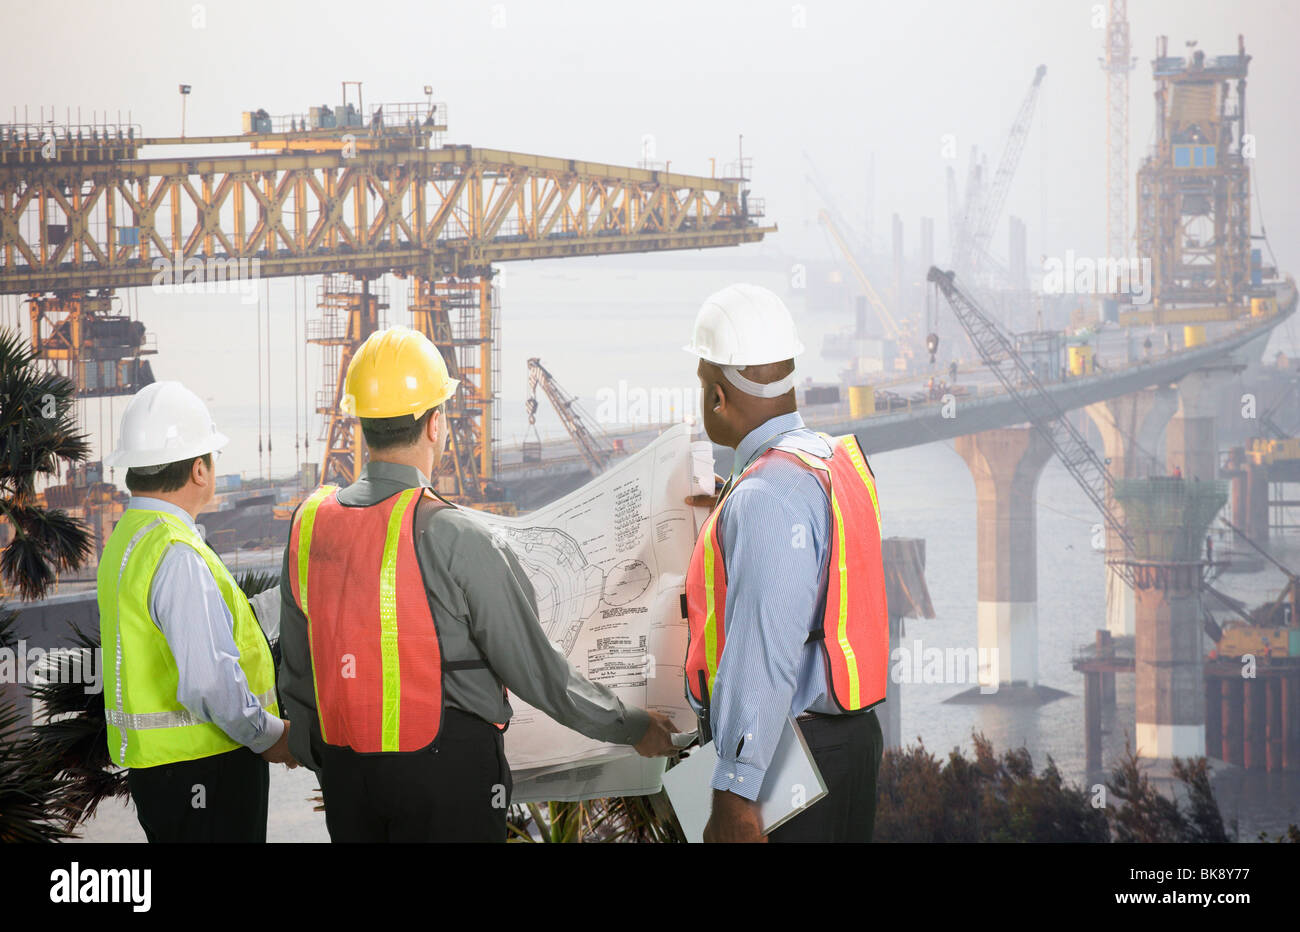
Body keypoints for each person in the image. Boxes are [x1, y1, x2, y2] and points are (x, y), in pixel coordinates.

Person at [278, 326, 680, 842]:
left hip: (348, 777)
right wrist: (632, 725)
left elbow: (298, 670)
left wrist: (327, 759)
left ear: (360, 423)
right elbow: (541, 675)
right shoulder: (456, 536)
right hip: (447, 778)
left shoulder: (308, 525)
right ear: (436, 425)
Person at [681, 284, 889, 843]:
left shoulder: (767, 497)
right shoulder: (826, 459)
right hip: (848, 742)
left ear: (718, 396)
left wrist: (734, 794)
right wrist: (733, 506)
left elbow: (764, 652)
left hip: (790, 759)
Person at [98, 381, 294, 843]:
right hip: (209, 769)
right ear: (200, 469)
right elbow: (209, 681)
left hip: (168, 776)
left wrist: (293, 601)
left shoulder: (132, 537)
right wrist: (269, 734)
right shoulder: (177, 550)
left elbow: (215, 626)